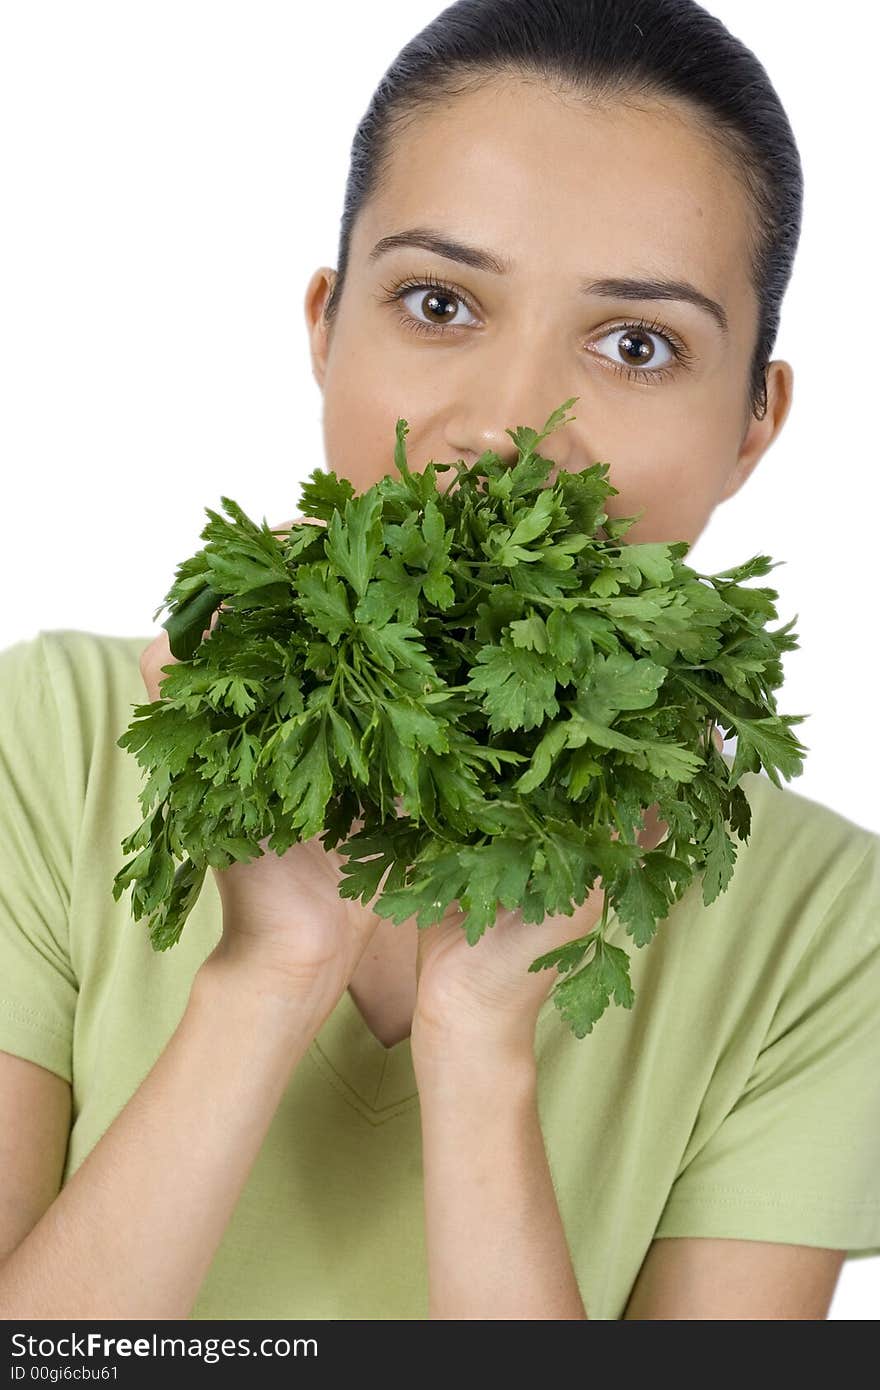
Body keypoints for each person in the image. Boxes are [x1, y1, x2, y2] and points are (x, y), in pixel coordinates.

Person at [0, 0, 878, 1322]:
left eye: (637, 343)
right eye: (440, 301)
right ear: (325, 324)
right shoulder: (51, 744)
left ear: (755, 422)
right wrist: (267, 980)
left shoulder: (825, 929)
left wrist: (482, 1047)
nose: (512, 426)